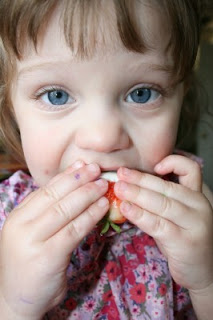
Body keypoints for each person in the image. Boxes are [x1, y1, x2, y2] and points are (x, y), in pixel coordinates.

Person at [0, 0, 212, 319]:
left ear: (181, 95)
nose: (103, 138)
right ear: (12, 108)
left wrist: (206, 282)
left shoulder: (192, 208)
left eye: (142, 93)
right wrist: (12, 304)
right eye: (56, 95)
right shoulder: (6, 221)